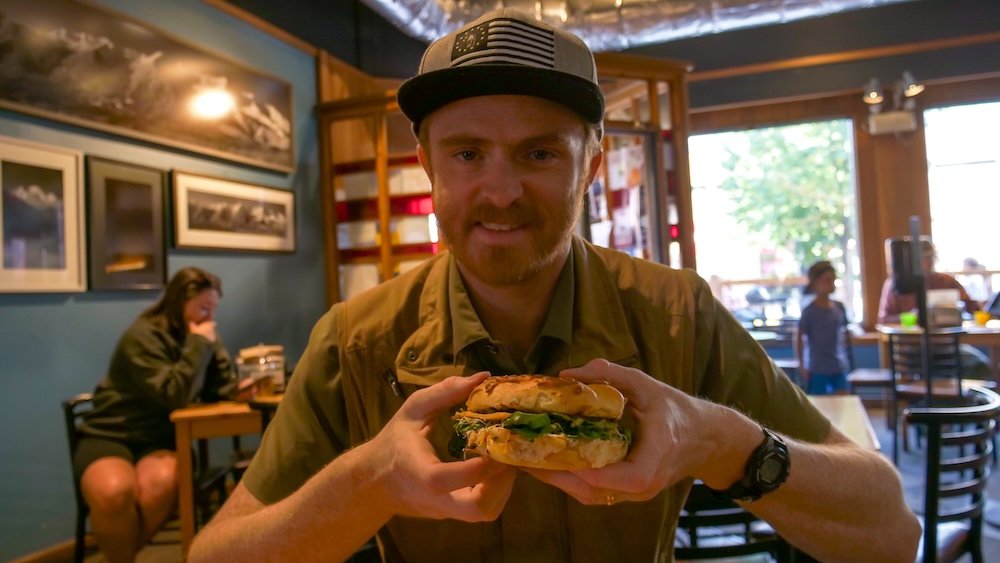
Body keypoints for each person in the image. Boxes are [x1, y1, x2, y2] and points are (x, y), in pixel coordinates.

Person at [191, 9, 919, 562]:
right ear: (428, 165)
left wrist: (716, 439)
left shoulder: (678, 314)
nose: (500, 191)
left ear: (592, 166)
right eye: (468, 153)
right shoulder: (355, 341)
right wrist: (371, 480)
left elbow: (891, 529)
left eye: (539, 152)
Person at [73, 267, 239, 563]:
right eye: (203, 307)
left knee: (160, 483)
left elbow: (219, 386)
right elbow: (173, 394)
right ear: (179, 301)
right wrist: (200, 344)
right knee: (113, 492)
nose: (209, 316)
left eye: (213, 308)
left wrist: (230, 373)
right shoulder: (143, 336)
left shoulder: (198, 333)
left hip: (160, 439)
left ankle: (118, 557)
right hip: (112, 433)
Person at [878, 239, 980, 323]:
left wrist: (954, 310)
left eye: (931, 256)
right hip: (909, 343)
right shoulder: (896, 284)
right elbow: (884, 319)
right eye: (924, 257)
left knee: (967, 349)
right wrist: (913, 316)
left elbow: (972, 308)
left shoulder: (947, 281)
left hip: (947, 342)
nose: (929, 261)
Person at [796, 261, 850, 395]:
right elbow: (799, 337)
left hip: (838, 367)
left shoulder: (838, 307)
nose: (831, 284)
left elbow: (844, 332)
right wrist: (802, 365)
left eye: (833, 280)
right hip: (818, 369)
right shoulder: (810, 311)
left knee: (843, 405)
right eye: (826, 281)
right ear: (815, 283)